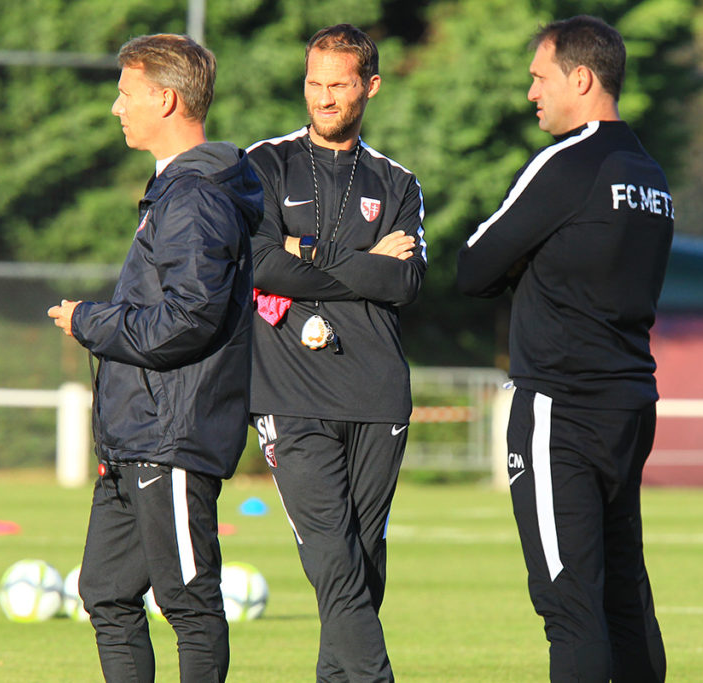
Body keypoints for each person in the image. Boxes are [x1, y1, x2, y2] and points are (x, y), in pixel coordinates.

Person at [457, 16, 672, 682]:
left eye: (539, 77)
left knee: (568, 601)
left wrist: (526, 267)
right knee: (624, 593)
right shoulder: (650, 173)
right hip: (630, 402)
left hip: (561, 408)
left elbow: (472, 268)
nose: (531, 94)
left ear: (581, 78)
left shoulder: (568, 162)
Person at [46, 33, 263, 682]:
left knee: (189, 602)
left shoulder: (196, 196)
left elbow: (187, 319)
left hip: (170, 434)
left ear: (166, 100)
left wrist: (91, 321)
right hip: (134, 436)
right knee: (106, 592)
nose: (116, 106)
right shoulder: (174, 190)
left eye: (126, 93)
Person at [245, 23, 426, 682]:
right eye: (314, 83)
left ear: (369, 87)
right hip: (289, 392)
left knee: (361, 562)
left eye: (339, 85)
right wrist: (357, 262)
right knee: (331, 554)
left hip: (377, 393)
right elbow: (260, 262)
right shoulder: (262, 163)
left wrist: (306, 255)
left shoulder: (396, 182)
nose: (323, 97)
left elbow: (402, 281)